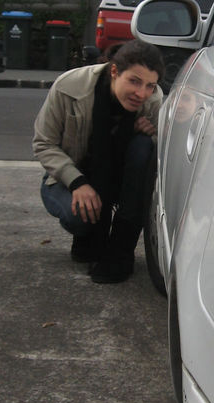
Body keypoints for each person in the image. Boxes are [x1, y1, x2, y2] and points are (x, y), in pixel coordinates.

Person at [33, 40, 165, 284]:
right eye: (134, 81)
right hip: (69, 178)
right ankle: (88, 237)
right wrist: (77, 183)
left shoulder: (152, 100)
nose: (142, 93)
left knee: (143, 146)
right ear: (115, 71)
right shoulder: (69, 86)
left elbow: (159, 156)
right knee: (81, 218)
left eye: (150, 85)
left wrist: (149, 134)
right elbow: (43, 143)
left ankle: (120, 250)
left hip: (118, 180)